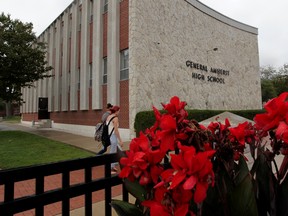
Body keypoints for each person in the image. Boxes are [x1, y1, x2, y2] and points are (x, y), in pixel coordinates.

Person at [97, 106, 124, 173]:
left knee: (119, 151)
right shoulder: (115, 118)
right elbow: (116, 130)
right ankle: (110, 168)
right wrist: (120, 140)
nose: (119, 112)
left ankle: (114, 165)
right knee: (113, 152)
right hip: (113, 136)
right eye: (119, 111)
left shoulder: (109, 116)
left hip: (109, 136)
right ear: (116, 111)